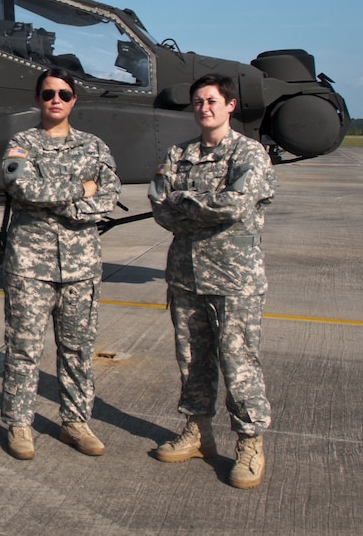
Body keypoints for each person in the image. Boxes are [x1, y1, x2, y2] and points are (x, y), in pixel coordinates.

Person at [148, 73, 276, 490]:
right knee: (191, 358)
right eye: (199, 101)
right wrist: (194, 207)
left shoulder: (249, 154)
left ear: (230, 106)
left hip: (233, 278)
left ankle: (250, 442)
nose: (205, 107)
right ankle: (198, 431)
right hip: (186, 275)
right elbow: (159, 205)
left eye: (212, 100)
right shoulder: (179, 153)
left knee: (239, 362)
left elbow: (235, 206)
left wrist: (186, 203)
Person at [0, 68, 120, 460]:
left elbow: (109, 195)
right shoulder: (21, 143)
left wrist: (63, 201)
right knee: (23, 348)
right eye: (48, 93)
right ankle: (20, 424)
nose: (56, 99)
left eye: (64, 94)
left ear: (74, 101)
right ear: (38, 99)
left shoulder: (95, 146)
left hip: (81, 265)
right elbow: (22, 187)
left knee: (78, 350)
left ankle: (75, 422)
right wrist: (79, 189)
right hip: (30, 266)